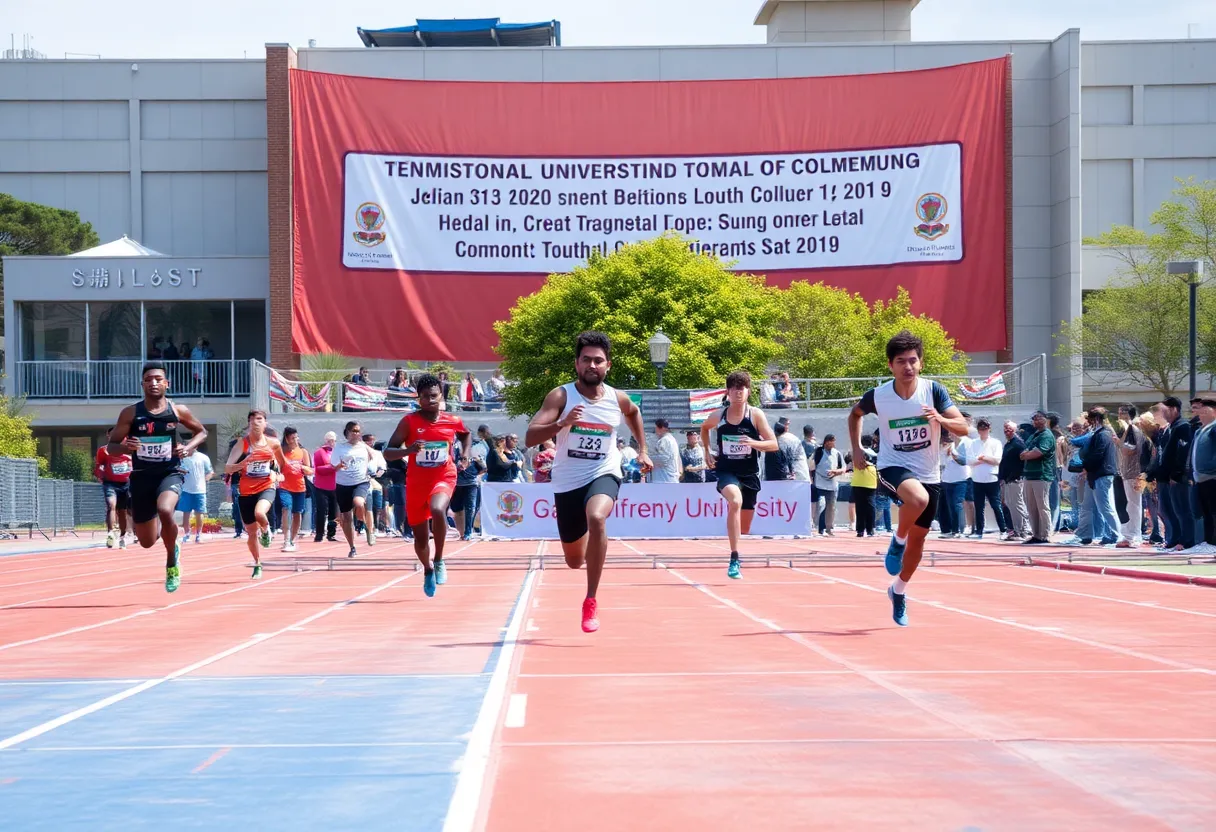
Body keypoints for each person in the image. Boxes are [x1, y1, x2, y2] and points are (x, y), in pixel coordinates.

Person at [525, 331, 651, 633]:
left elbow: (634, 413)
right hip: (568, 481)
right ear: (576, 364)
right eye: (586, 360)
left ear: (607, 365)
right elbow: (530, 436)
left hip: (604, 471)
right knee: (573, 561)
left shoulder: (617, 398)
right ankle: (583, 562)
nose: (592, 365)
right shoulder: (562, 396)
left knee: (597, 517)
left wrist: (643, 449)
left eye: (598, 360)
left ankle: (591, 599)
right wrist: (562, 423)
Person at [849, 331, 968, 627]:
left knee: (921, 539)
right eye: (901, 362)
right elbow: (855, 415)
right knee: (917, 499)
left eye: (913, 361)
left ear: (921, 363)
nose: (908, 367)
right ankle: (896, 540)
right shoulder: (879, 395)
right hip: (893, 466)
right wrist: (856, 450)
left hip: (929, 472)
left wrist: (940, 419)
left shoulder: (933, 392)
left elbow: (963, 426)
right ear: (890, 365)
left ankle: (898, 590)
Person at [106, 361, 208, 593]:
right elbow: (111, 447)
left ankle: (172, 560)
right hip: (142, 477)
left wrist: (188, 447)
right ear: (142, 384)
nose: (153, 383)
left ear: (166, 383)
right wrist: (126, 448)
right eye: (149, 379)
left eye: (158, 379)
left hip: (170, 472)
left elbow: (202, 432)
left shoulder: (177, 410)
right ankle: (169, 540)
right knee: (146, 542)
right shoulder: (131, 413)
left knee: (165, 509)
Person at [386, 373, 473, 597]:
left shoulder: (452, 420)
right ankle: (427, 569)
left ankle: (440, 558)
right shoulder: (409, 422)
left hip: (444, 474)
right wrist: (408, 450)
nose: (430, 400)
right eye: (425, 397)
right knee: (421, 538)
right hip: (416, 482)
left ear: (441, 395)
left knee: (437, 509)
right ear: (418, 398)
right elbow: (388, 452)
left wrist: (464, 455)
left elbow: (465, 435)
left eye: (433, 396)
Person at [700, 370, 779, 579]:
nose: (738, 392)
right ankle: (734, 559)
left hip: (750, 474)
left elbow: (773, 444)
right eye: (734, 388)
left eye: (742, 388)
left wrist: (753, 443)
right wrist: (707, 451)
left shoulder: (755, 415)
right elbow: (704, 428)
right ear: (728, 392)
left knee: (744, 528)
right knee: (735, 500)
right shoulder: (719, 416)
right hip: (726, 470)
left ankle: (736, 537)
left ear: (748, 392)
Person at [223, 410, 291, 577]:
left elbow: (282, 463)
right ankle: (257, 563)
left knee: (259, 513)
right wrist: (242, 464)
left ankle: (267, 530)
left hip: (266, 486)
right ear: (249, 424)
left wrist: (278, 473)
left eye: (259, 419)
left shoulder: (273, 443)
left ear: (265, 423)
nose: (255, 422)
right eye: (252, 420)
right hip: (246, 492)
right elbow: (227, 468)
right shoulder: (242, 444)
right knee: (252, 533)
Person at [332, 421, 375, 558]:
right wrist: (341, 465)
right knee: (346, 517)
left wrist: (374, 469)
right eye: (353, 431)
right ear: (347, 433)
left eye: (357, 431)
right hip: (343, 484)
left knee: (358, 502)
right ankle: (352, 547)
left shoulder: (364, 447)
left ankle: (364, 525)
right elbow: (334, 465)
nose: (355, 433)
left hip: (360, 481)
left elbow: (374, 459)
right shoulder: (339, 447)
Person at [94, 428, 132, 548]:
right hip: (110, 483)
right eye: (113, 435)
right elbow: (99, 465)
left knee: (122, 511)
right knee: (111, 506)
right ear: (108, 436)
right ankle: (110, 533)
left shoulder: (130, 450)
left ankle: (122, 536)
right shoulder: (104, 450)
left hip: (126, 484)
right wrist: (99, 474)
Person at [278, 427, 314, 552]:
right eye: (292, 438)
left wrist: (303, 467)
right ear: (287, 439)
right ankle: (286, 538)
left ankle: (292, 540)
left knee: (297, 513)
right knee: (286, 508)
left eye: (296, 437)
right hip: (285, 486)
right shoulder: (281, 451)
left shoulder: (303, 451)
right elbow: (277, 467)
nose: (295, 440)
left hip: (299, 487)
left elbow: (310, 470)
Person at [178, 443, 214, 544]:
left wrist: (205, 480)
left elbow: (210, 472)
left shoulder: (203, 457)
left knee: (199, 513)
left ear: (196, 447)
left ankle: (198, 535)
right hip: (186, 490)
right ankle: (186, 534)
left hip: (200, 490)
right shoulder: (182, 458)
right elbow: (178, 470)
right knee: (186, 513)